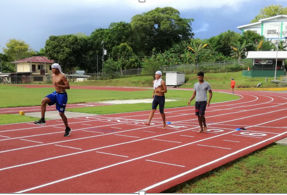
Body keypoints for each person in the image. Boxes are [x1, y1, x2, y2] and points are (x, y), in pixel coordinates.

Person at [34, 63, 72, 137]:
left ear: (57, 69)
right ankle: (42, 119)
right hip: (55, 94)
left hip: (62, 95)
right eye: (51, 68)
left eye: (53, 68)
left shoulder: (62, 76)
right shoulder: (52, 75)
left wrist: (58, 85)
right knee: (43, 101)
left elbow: (68, 86)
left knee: (61, 114)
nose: (52, 70)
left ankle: (67, 128)